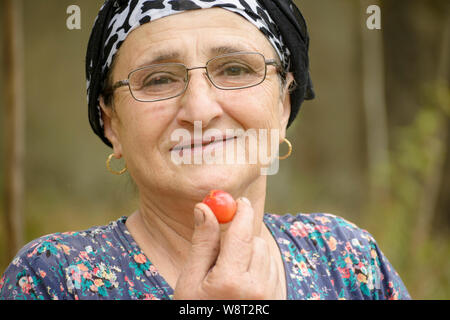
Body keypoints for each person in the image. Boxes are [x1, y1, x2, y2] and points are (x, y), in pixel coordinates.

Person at [0, 0, 410, 300]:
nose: (199, 109)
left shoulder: (347, 261)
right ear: (112, 124)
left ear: (284, 103)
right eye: (158, 79)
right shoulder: (52, 279)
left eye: (235, 69)